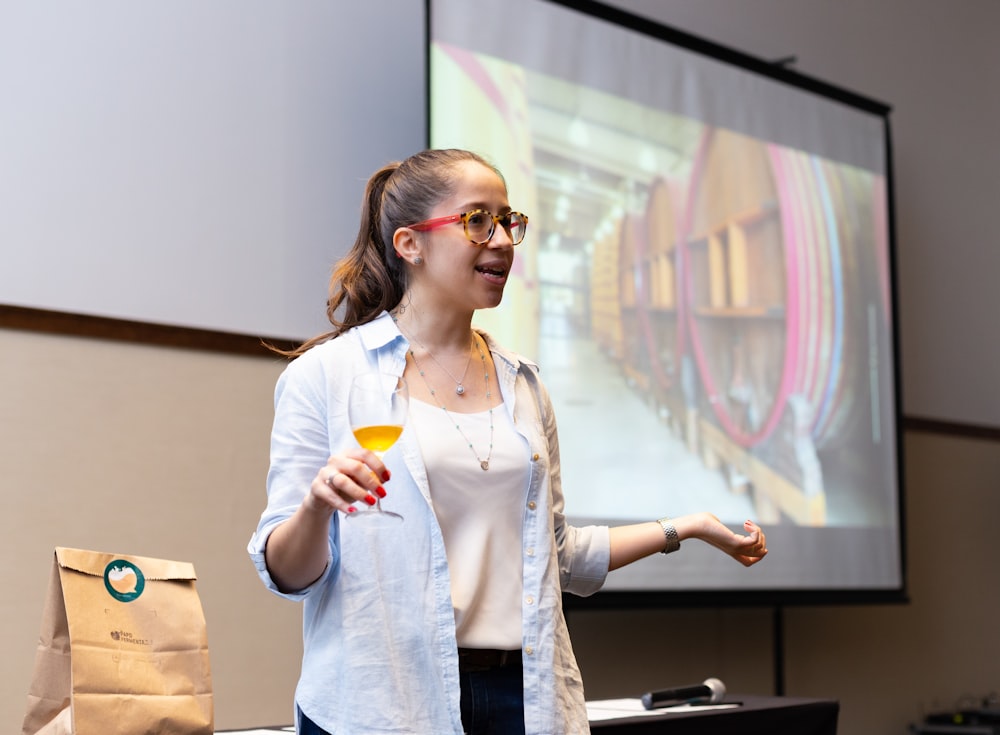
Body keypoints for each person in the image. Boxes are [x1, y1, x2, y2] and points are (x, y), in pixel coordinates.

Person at [247, 148, 768, 735]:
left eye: (508, 221)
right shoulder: (328, 376)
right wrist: (317, 506)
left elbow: (559, 554)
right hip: (380, 703)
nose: (501, 240)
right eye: (476, 220)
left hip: (523, 698)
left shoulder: (524, 384)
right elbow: (287, 573)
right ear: (409, 244)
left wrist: (687, 527)